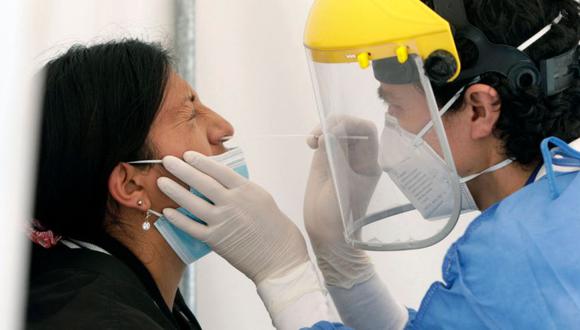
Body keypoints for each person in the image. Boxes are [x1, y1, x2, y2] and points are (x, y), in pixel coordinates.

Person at [156, 0, 580, 329]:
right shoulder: (558, 209)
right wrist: (344, 266)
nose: (390, 130)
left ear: (478, 109)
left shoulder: (517, 252)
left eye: (395, 106)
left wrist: (284, 275)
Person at [26, 39, 243, 329]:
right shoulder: (101, 321)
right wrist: (291, 283)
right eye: (190, 113)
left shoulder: (109, 290)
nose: (224, 128)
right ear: (130, 186)